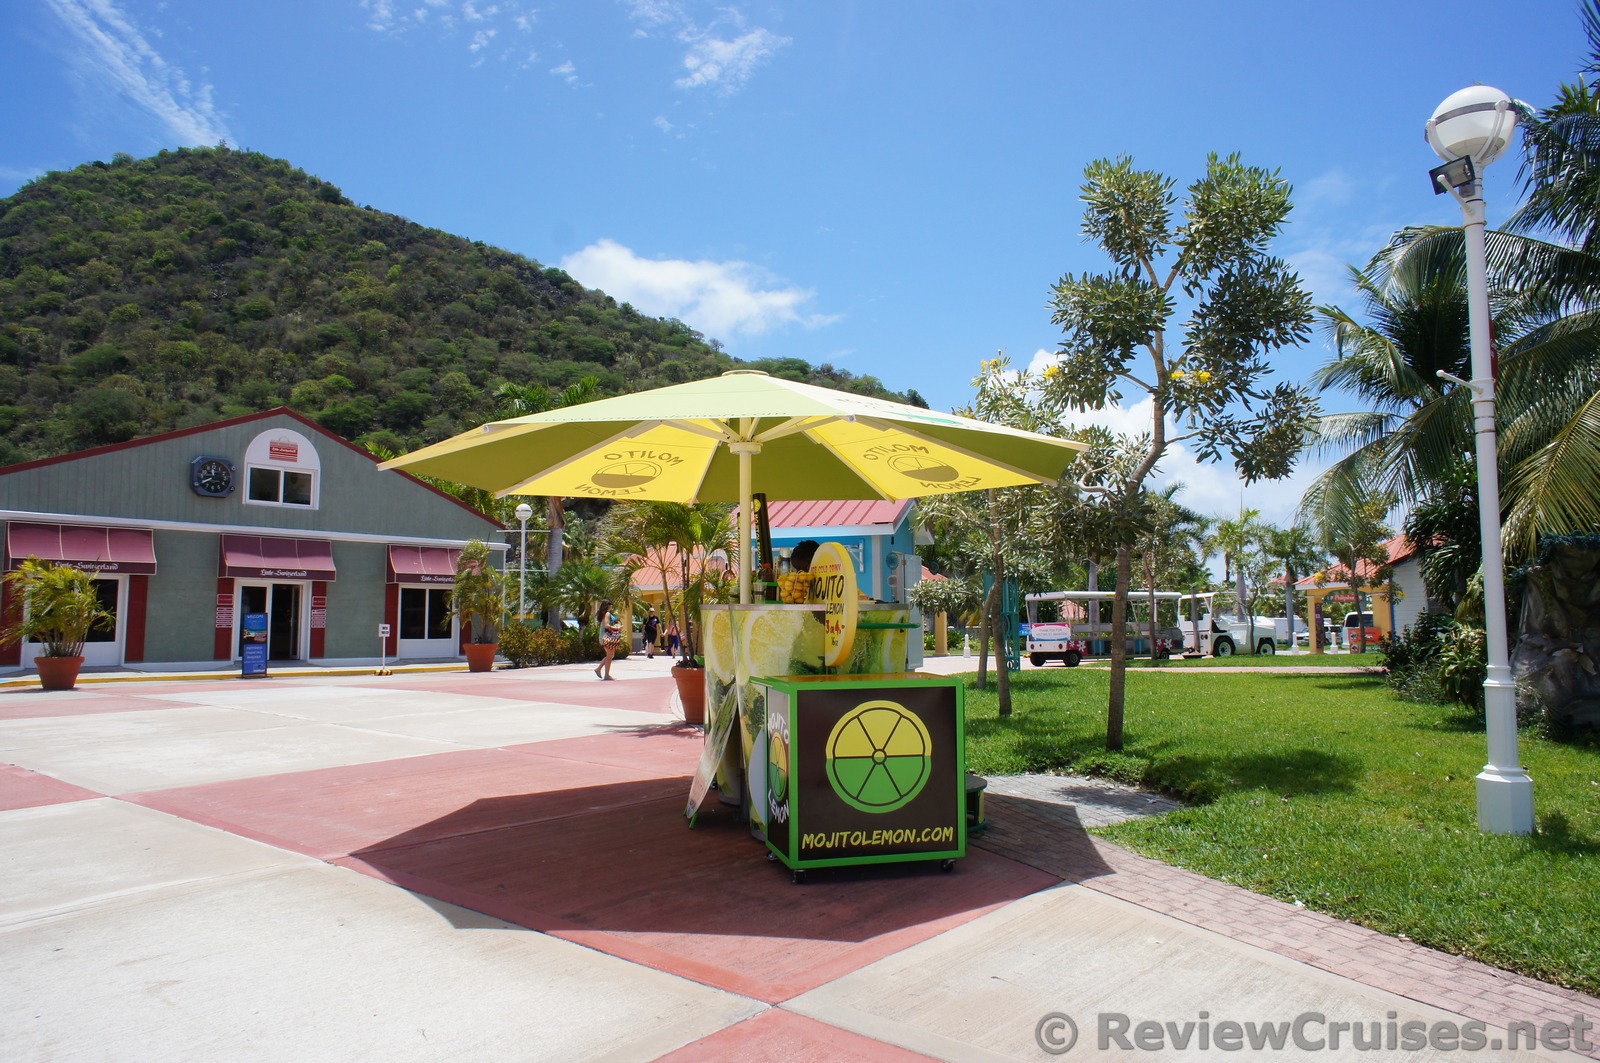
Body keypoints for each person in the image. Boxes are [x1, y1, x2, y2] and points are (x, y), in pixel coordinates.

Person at [596, 600, 621, 680]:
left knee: (610, 655)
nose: (612, 606)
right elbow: (607, 625)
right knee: (610, 656)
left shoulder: (606, 614)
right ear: (608, 606)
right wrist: (617, 628)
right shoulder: (607, 614)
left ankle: (598, 669)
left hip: (606, 636)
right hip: (606, 636)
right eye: (611, 605)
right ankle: (606, 675)